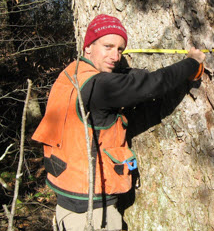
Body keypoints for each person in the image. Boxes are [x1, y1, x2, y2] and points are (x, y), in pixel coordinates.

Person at [32, 14, 205, 231]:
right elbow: (151, 84)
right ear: (87, 47)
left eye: (120, 50)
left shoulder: (71, 74)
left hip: (67, 195)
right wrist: (191, 63)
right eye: (108, 46)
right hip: (92, 212)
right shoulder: (98, 86)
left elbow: (117, 82)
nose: (115, 56)